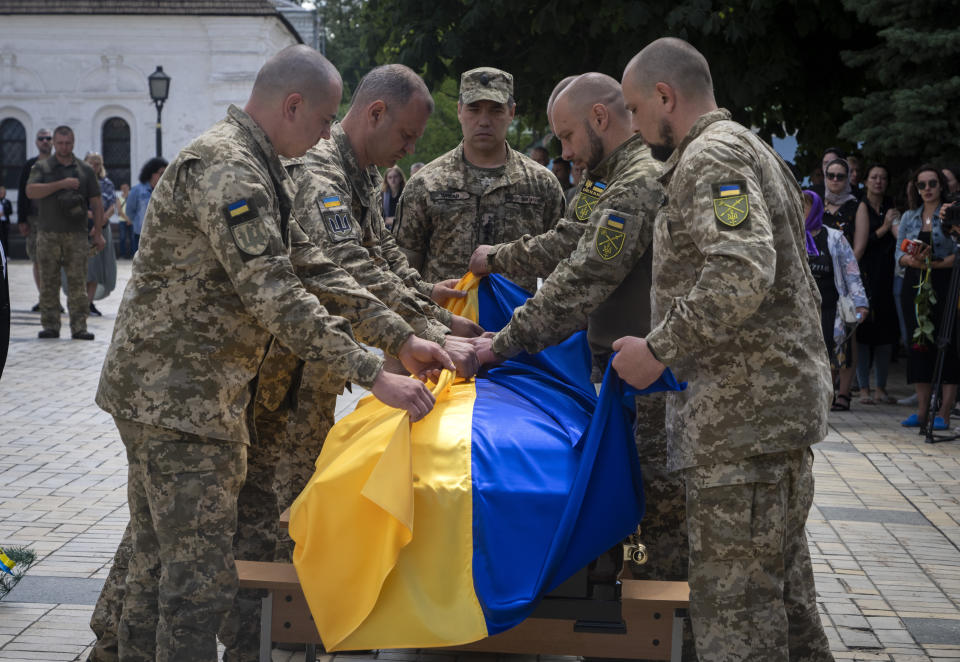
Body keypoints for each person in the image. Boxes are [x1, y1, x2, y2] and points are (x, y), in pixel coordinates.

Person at [90, 45, 454, 662]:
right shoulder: (229, 168)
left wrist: (402, 338)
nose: (322, 137)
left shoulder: (267, 169)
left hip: (190, 397)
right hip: (180, 399)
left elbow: (314, 264)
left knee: (156, 565)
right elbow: (277, 295)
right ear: (292, 105)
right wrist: (374, 372)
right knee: (196, 586)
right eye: (320, 121)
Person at [618, 37, 835, 662]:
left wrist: (658, 349)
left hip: (741, 428)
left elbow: (741, 268)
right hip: (760, 423)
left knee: (736, 619)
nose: (634, 125)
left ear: (666, 96)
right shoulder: (741, 147)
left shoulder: (712, 155)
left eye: (635, 109)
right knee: (787, 606)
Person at [469, 71, 695, 660]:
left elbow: (581, 280)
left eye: (567, 136)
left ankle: (663, 641)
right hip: (619, 378)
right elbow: (568, 239)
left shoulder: (637, 184)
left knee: (655, 519)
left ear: (600, 118)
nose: (564, 152)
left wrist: (499, 345)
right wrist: (499, 259)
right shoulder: (605, 181)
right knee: (631, 514)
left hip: (652, 385)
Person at [394, 67, 565, 293]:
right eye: (474, 109)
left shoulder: (542, 184)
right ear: (459, 111)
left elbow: (562, 266)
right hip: (444, 322)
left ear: (512, 113)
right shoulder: (425, 183)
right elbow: (402, 268)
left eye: (496, 110)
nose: (484, 121)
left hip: (519, 321)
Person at [26, 125, 105, 340]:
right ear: (54, 143)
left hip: (77, 235)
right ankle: (50, 325)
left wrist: (97, 232)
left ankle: (79, 326)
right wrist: (61, 184)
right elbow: (31, 191)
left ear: (73, 142)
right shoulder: (42, 167)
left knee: (78, 282)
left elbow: (97, 203)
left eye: (68, 143)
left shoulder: (85, 170)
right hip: (48, 233)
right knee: (49, 281)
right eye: (60, 143)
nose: (64, 147)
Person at [896, 165, 958, 430]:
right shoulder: (910, 216)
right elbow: (897, 256)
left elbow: (958, 252)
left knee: (947, 342)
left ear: (941, 185)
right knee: (918, 343)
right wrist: (914, 260)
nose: (928, 189)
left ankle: (943, 410)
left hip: (945, 282)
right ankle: (922, 410)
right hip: (916, 283)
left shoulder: (951, 213)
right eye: (922, 185)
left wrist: (934, 264)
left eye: (932, 183)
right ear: (916, 188)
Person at [803, 190, 869, 412]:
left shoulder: (834, 237)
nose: (801, 212)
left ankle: (840, 394)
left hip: (833, 304)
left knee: (838, 350)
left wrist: (861, 303)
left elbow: (852, 271)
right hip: (804, 308)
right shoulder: (792, 236)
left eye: (805, 207)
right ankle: (818, 394)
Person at [854, 165, 900, 404]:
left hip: (887, 275)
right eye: (874, 177)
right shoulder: (861, 205)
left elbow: (899, 235)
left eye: (883, 177)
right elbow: (863, 243)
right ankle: (863, 388)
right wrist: (883, 227)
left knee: (885, 334)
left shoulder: (891, 205)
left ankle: (881, 387)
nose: (878, 182)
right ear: (866, 181)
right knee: (865, 333)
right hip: (866, 275)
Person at [17, 128, 53, 310]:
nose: (45, 141)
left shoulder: (61, 165)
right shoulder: (29, 165)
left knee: (55, 261)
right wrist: (21, 219)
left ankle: (53, 298)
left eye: (48, 138)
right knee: (37, 260)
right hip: (34, 219)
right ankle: (44, 298)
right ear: (37, 142)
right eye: (41, 138)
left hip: (56, 220)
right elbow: (22, 193)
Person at [82, 152, 117, 315]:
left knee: (97, 267)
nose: (94, 166)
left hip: (102, 228)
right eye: (91, 163)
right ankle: (81, 302)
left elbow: (111, 206)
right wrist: (95, 218)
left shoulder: (107, 183)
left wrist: (100, 221)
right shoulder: (80, 182)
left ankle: (89, 302)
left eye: (97, 163)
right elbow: (79, 206)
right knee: (87, 267)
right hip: (85, 227)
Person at [124, 157, 167, 255]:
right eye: (161, 173)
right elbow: (130, 212)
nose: (164, 176)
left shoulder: (166, 192)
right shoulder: (137, 190)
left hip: (162, 236)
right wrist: (139, 224)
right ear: (152, 173)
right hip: (141, 236)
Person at [381, 165, 405, 230]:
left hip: (403, 228)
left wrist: (393, 220)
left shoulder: (406, 193)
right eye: (390, 177)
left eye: (395, 176)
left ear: (400, 178)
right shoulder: (381, 195)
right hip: (386, 229)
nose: (393, 180)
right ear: (386, 179)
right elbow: (380, 217)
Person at [115, 182, 132, 259]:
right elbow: (119, 211)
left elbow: (134, 209)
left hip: (132, 221)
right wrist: (127, 219)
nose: (124, 189)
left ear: (128, 188)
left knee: (132, 238)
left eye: (126, 187)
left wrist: (130, 219)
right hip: (122, 221)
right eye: (123, 188)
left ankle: (132, 255)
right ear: (121, 189)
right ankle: (122, 254)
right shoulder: (119, 198)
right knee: (122, 238)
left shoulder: (132, 197)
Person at [0, 186, 11, 255]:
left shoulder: (7, 202)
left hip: (4, 222)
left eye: (3, 193)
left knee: (5, 238)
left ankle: (6, 254)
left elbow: (10, 211)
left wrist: (4, 212)